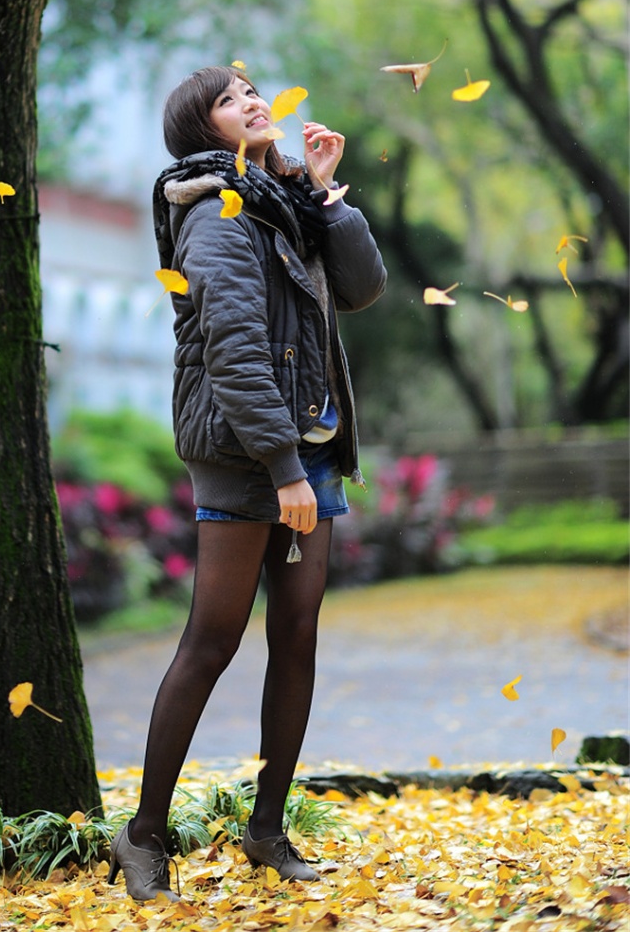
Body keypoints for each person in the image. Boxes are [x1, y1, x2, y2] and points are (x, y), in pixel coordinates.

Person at [108, 66, 387, 901]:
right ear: (203, 129)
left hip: (309, 447)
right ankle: (143, 833)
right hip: (245, 453)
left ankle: (265, 830)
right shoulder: (214, 213)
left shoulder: (283, 201)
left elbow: (363, 288)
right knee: (213, 639)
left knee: (295, 634)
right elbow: (232, 351)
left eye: (253, 90)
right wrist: (280, 470)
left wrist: (329, 195)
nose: (253, 102)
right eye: (231, 99)